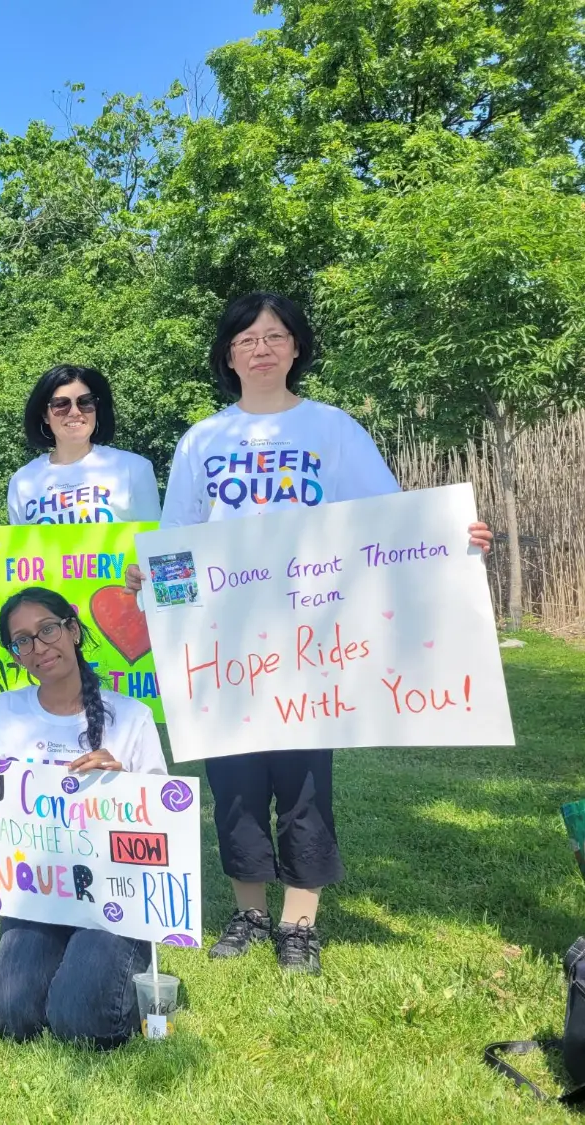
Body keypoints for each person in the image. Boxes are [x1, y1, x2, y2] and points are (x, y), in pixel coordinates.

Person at [129, 290, 493, 974]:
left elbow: (390, 514)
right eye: (246, 338)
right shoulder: (202, 439)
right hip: (223, 641)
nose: (260, 347)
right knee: (232, 781)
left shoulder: (332, 430)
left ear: (296, 347)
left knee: (302, 779)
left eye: (274, 335)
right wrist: (154, 584)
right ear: (228, 354)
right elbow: (176, 536)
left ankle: (299, 923)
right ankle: (249, 911)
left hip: (312, 636)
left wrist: (452, 537)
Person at [0, 586, 166, 1046]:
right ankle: (62, 957)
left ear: (73, 630)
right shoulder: (3, 713)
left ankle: (97, 964)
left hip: (112, 900)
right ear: (17, 655)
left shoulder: (132, 717)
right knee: (10, 1018)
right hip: (36, 895)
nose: (39, 648)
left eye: (48, 630)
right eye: (23, 641)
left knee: (81, 1024)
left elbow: (163, 826)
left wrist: (123, 784)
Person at [8, 365, 160, 525]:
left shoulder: (133, 469)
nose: (75, 412)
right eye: (60, 404)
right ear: (45, 415)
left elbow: (155, 544)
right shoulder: (22, 481)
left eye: (85, 402)